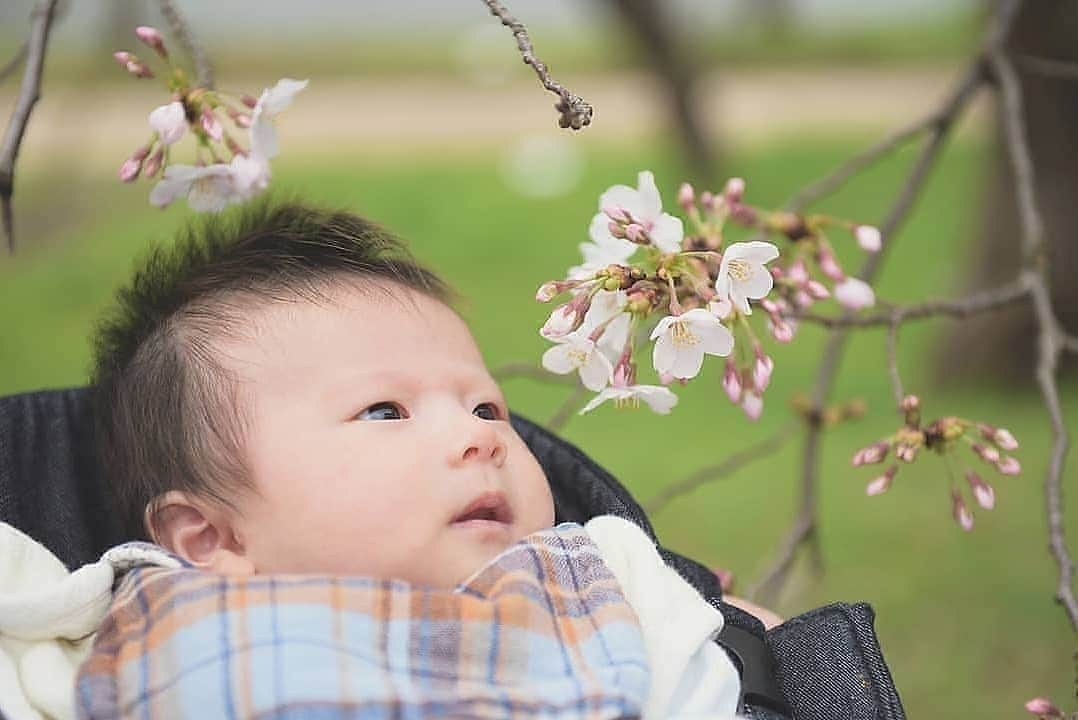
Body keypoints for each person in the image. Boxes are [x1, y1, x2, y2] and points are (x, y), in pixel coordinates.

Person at [81, 200, 774, 717]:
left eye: (486, 408)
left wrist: (734, 620)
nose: (483, 438)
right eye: (385, 412)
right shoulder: (166, 629)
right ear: (213, 538)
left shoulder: (591, 580)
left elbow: (720, 655)